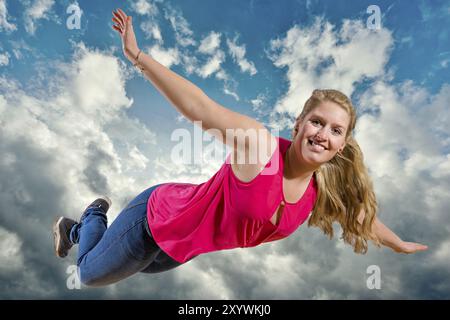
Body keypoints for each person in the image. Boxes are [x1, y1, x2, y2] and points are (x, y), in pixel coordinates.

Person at [52, 8, 428, 287]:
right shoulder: (261, 150)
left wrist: (399, 245)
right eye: (316, 122)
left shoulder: (318, 192)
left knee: (129, 266)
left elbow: (358, 218)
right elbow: (200, 108)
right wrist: (138, 56)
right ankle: (91, 215)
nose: (321, 134)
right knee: (89, 273)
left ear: (342, 144)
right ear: (299, 125)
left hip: (177, 249)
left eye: (334, 130)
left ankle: (73, 230)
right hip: (154, 220)